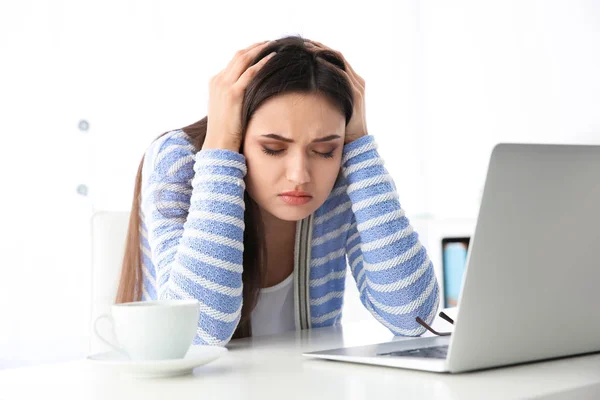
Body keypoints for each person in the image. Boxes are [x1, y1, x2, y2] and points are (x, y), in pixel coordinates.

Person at [116, 35, 440, 346]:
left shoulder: (345, 171)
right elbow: (198, 334)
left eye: (325, 150)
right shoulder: (178, 159)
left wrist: (360, 148)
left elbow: (414, 317)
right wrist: (219, 150)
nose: (300, 176)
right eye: (272, 148)